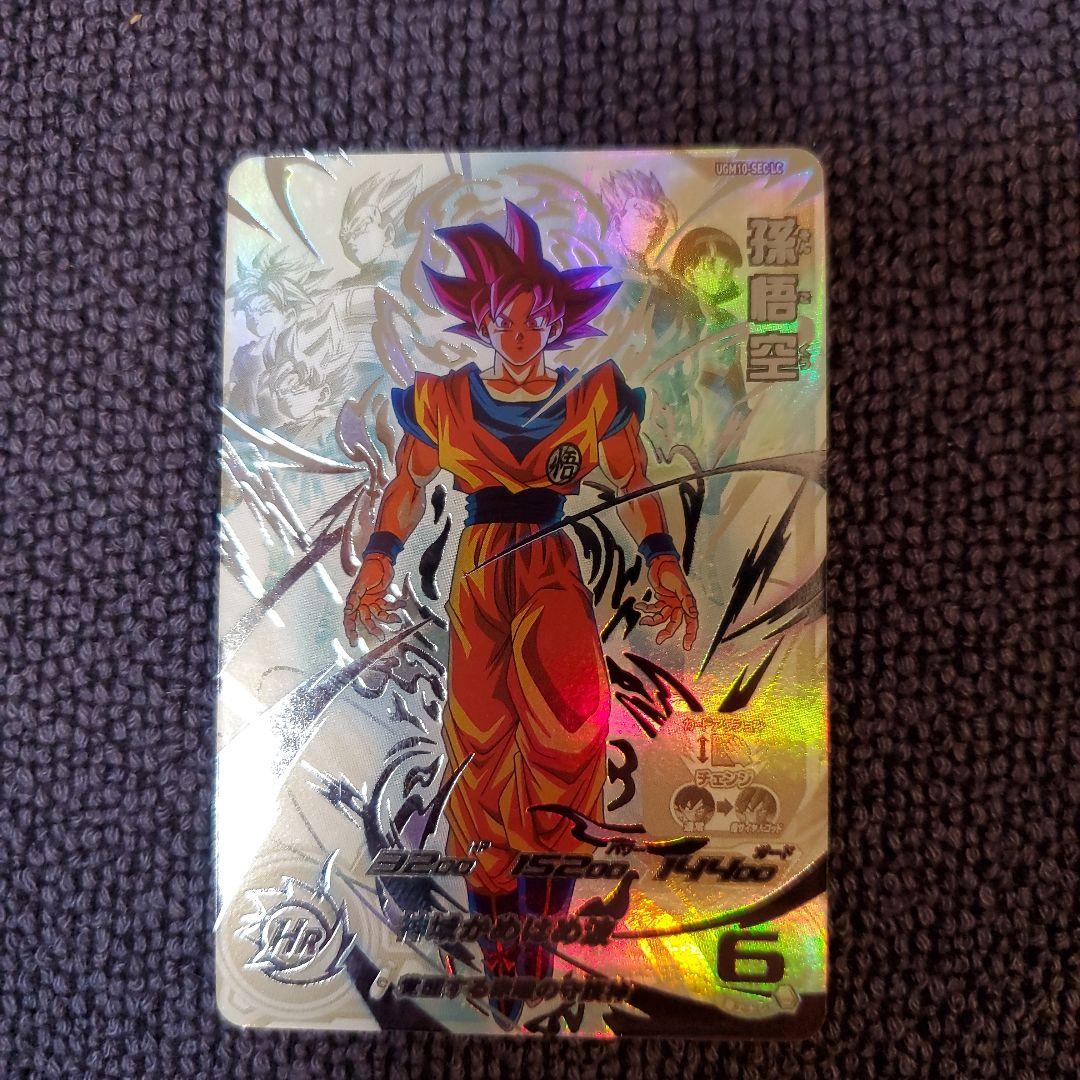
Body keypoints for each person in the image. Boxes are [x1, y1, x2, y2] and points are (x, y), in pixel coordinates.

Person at [342, 201, 699, 1005]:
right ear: (483, 321)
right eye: (504, 319)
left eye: (534, 320)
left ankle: (541, 940)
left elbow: (635, 482)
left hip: (550, 569)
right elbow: (406, 488)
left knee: (567, 738)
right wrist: (377, 562)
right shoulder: (442, 399)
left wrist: (665, 565)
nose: (518, 333)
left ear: (554, 324)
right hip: (479, 577)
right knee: (479, 750)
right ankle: (499, 954)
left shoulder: (592, 396)